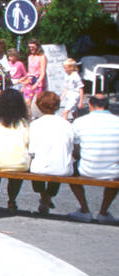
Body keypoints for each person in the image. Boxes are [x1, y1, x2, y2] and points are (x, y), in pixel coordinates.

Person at [67, 95, 119, 223]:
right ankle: (103, 211)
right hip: (114, 172)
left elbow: (75, 149)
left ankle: (85, 209)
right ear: (108, 106)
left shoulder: (79, 122)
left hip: (86, 169)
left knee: (71, 168)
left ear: (90, 105)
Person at [0, 88, 32, 212]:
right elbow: (27, 143)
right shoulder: (24, 123)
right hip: (20, 164)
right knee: (18, 163)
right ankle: (12, 200)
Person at [27, 92, 75, 215]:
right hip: (63, 168)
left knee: (36, 164)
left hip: (40, 168)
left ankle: (44, 197)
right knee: (58, 161)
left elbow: (31, 151)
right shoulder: (67, 125)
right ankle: (47, 198)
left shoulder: (35, 125)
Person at [23, 38, 47, 110]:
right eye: (30, 47)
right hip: (30, 80)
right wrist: (24, 79)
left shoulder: (42, 57)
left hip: (38, 80)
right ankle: (28, 118)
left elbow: (43, 72)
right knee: (27, 102)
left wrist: (37, 83)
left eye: (32, 47)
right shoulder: (29, 57)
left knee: (38, 102)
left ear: (37, 47)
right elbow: (30, 71)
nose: (31, 49)